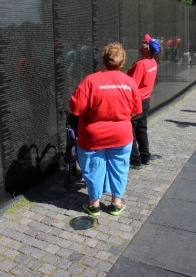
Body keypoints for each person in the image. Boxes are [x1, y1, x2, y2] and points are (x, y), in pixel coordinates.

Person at [69, 42, 142, 217]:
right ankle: (116, 203)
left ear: (103, 59)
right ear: (122, 61)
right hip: (121, 135)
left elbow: (75, 107)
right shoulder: (129, 82)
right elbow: (136, 109)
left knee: (94, 167)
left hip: (93, 136)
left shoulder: (91, 81)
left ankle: (94, 205)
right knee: (119, 167)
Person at [127, 33, 160, 169]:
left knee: (131, 130)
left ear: (146, 49)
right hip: (145, 100)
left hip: (136, 101)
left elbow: (132, 86)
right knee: (141, 128)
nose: (141, 42)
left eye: (144, 42)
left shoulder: (141, 64)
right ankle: (145, 156)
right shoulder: (153, 62)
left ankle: (135, 160)